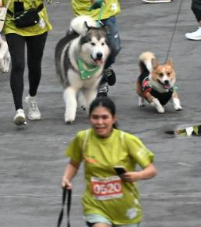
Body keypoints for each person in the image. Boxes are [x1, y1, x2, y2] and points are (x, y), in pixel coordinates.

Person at [61, 97, 157, 226]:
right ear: (89, 118)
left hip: (126, 210)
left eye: (105, 117)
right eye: (95, 117)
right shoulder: (83, 139)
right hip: (95, 207)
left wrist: (137, 175)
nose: (100, 122)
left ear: (113, 118)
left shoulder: (127, 140)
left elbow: (151, 170)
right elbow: (74, 163)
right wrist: (66, 178)